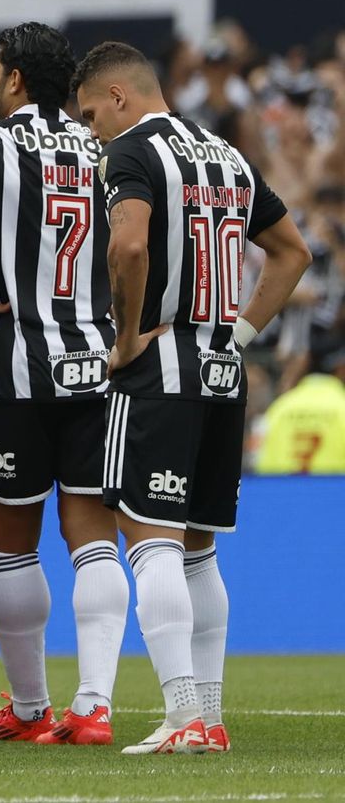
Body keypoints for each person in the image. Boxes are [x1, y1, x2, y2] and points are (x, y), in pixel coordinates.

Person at [73, 40, 311, 756]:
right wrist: (239, 332)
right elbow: (292, 250)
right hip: (221, 370)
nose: (89, 131)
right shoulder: (224, 154)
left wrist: (125, 337)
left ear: (119, 96)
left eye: (90, 114)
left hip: (163, 362)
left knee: (149, 540)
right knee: (199, 551)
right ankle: (207, 716)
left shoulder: (131, 155)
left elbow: (129, 249)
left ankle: (181, 714)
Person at [0, 24, 128, 746]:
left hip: (13, 364)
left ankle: (31, 706)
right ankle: (96, 707)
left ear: (12, 78)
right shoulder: (99, 148)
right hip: (94, 362)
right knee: (93, 539)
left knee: (12, 543)